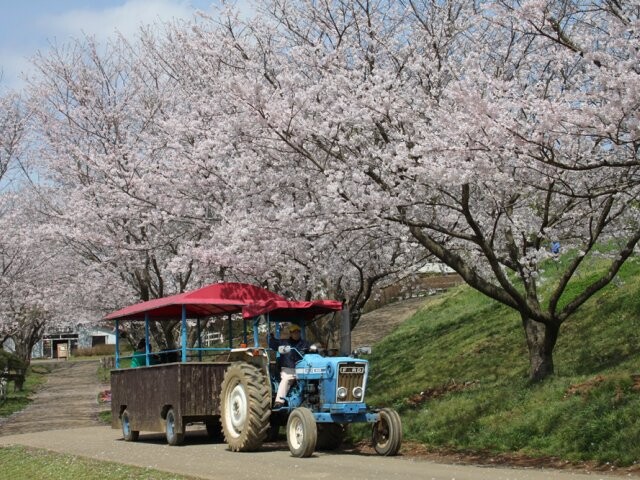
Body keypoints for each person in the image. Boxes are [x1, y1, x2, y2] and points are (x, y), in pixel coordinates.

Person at [268, 323, 310, 408]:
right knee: (286, 379)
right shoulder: (284, 343)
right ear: (291, 333)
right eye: (294, 332)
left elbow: (312, 351)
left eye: (298, 332)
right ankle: (279, 401)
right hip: (288, 368)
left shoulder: (305, 344)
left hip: (303, 368)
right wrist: (270, 336)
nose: (296, 334)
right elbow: (272, 344)